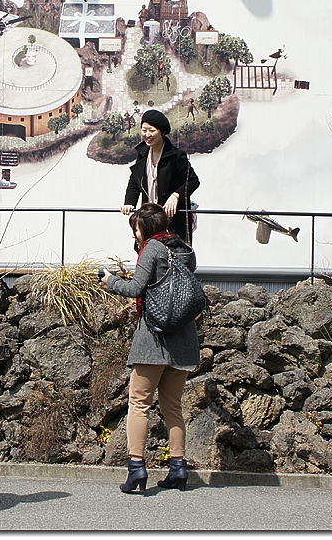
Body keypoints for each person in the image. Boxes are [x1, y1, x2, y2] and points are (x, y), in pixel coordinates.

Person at [101, 203, 198, 494]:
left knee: (139, 404)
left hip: (154, 339)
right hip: (183, 340)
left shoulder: (152, 249)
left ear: (146, 228)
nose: (134, 232)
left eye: (136, 228)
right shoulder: (183, 249)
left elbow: (136, 288)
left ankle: (136, 469)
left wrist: (110, 280)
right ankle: (178, 469)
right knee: (173, 407)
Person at [120, 109, 200, 243]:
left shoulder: (176, 156)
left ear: (162, 132)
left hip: (172, 219)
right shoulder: (142, 153)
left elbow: (193, 181)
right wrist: (129, 202)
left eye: (152, 131)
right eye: (144, 130)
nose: (147, 134)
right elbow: (135, 180)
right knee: (148, 257)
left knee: (173, 257)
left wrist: (176, 195)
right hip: (148, 218)